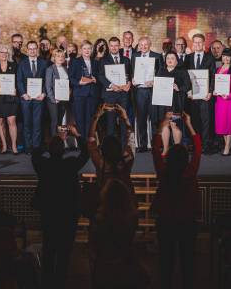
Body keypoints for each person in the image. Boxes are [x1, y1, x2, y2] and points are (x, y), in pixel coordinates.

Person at [32, 128, 89, 289]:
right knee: (64, 253)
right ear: (63, 150)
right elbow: (86, 153)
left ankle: (47, 283)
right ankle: (59, 283)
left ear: (49, 150)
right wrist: (76, 135)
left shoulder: (43, 165)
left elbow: (35, 155)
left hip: (49, 212)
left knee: (49, 250)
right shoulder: (70, 164)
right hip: (68, 214)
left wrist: (50, 142)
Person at [152, 112, 201, 289]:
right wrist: (189, 124)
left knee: (166, 261)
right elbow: (198, 149)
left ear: (169, 158)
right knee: (187, 261)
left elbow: (155, 149)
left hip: (166, 221)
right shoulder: (190, 172)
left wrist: (163, 124)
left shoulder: (164, 172)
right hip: (187, 221)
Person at [89, 179, 147, 289]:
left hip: (104, 266)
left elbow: (95, 244)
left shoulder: (100, 221)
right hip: (125, 264)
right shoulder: (131, 219)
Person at [88, 104, 135, 198]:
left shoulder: (101, 163)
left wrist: (96, 117)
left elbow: (91, 139)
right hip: (125, 201)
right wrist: (125, 118)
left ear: (102, 149)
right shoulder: (126, 159)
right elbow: (131, 137)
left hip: (105, 201)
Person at [156, 52, 192, 155]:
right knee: (165, 125)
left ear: (177, 61)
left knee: (174, 125)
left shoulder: (182, 71)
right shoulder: (161, 71)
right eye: (168, 58)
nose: (170, 60)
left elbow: (188, 86)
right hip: (163, 103)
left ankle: (177, 150)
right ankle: (165, 149)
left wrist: (178, 88)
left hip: (176, 103)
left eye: (172, 58)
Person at [97, 37, 132, 141]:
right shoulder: (103, 60)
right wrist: (112, 85)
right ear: (109, 46)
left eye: (116, 45)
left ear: (119, 46)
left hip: (123, 95)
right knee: (110, 122)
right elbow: (100, 76)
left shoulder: (126, 60)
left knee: (123, 121)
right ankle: (111, 147)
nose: (114, 48)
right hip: (110, 95)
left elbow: (129, 75)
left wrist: (129, 83)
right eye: (112, 46)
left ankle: (123, 146)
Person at [185, 33, 215, 154]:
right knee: (195, 121)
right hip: (192, 95)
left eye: (199, 42)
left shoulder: (210, 58)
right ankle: (196, 145)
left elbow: (213, 76)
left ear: (203, 43)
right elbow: (185, 76)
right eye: (195, 42)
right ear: (192, 44)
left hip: (205, 95)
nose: (197, 44)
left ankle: (206, 145)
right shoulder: (188, 58)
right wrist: (188, 90)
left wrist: (210, 92)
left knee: (206, 121)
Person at [132, 37, 162, 152]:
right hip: (140, 91)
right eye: (141, 44)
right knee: (141, 119)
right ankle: (143, 145)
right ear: (139, 45)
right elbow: (132, 71)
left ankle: (155, 145)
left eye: (146, 44)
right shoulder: (135, 56)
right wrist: (133, 79)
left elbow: (161, 72)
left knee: (154, 119)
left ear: (150, 45)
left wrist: (154, 81)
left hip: (153, 90)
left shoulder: (157, 56)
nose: (143, 47)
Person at [17, 40, 48, 152]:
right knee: (27, 123)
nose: (32, 51)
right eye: (30, 49)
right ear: (27, 50)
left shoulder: (43, 63)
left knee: (37, 123)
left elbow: (46, 80)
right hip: (26, 98)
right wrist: (23, 94)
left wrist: (44, 93)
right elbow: (19, 81)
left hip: (39, 98)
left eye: (34, 48)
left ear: (37, 49)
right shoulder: (22, 63)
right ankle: (28, 147)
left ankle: (36, 147)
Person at [213, 48, 231, 156]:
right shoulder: (218, 69)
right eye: (224, 56)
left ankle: (227, 146)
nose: (226, 58)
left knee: (228, 123)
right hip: (219, 100)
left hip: (228, 100)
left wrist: (228, 96)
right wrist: (215, 91)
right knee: (222, 123)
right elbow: (216, 84)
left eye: (228, 56)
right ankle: (227, 144)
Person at [69, 40, 99, 139]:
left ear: (92, 50)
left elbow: (100, 76)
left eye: (89, 48)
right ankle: (82, 143)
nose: (87, 50)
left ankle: (88, 142)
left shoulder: (96, 62)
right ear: (81, 50)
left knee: (90, 120)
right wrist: (79, 82)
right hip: (80, 94)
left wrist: (96, 79)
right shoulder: (75, 62)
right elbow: (70, 78)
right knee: (80, 120)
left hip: (92, 95)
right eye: (84, 48)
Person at [0, 46, 19, 154]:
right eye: (1, 52)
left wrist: (16, 89)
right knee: (1, 122)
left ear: (9, 55)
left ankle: (14, 145)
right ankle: (4, 145)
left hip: (11, 97)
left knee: (11, 121)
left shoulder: (14, 65)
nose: (4, 54)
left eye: (6, 52)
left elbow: (18, 79)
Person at [45, 48, 71, 136]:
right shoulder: (50, 69)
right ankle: (54, 140)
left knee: (60, 120)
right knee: (55, 120)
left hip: (63, 99)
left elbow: (68, 84)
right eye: (58, 56)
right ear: (54, 57)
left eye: (62, 56)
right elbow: (48, 86)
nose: (60, 58)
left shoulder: (65, 69)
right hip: (53, 100)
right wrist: (53, 99)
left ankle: (59, 139)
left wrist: (69, 91)